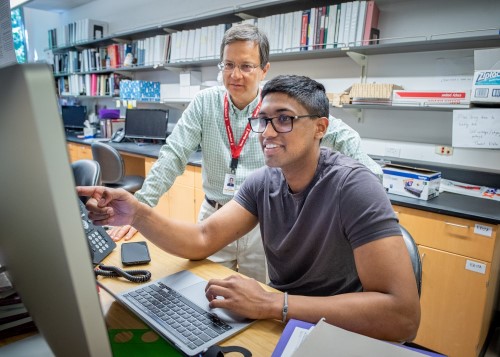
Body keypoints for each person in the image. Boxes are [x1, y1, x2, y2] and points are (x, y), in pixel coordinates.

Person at [79, 74, 420, 342]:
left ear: (320, 128)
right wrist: (137, 213)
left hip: (344, 334)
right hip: (289, 322)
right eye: (263, 119)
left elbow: (401, 316)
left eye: (284, 119)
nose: (267, 132)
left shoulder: (354, 186)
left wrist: (274, 303)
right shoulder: (263, 181)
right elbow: (202, 238)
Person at [109, 23, 382, 284]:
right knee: (206, 295)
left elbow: (340, 133)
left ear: (264, 70)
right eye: (228, 65)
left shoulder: (276, 105)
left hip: (265, 222)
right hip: (215, 216)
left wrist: (371, 182)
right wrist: (142, 206)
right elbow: (173, 154)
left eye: (246, 66)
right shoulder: (206, 103)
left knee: (261, 301)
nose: (235, 75)